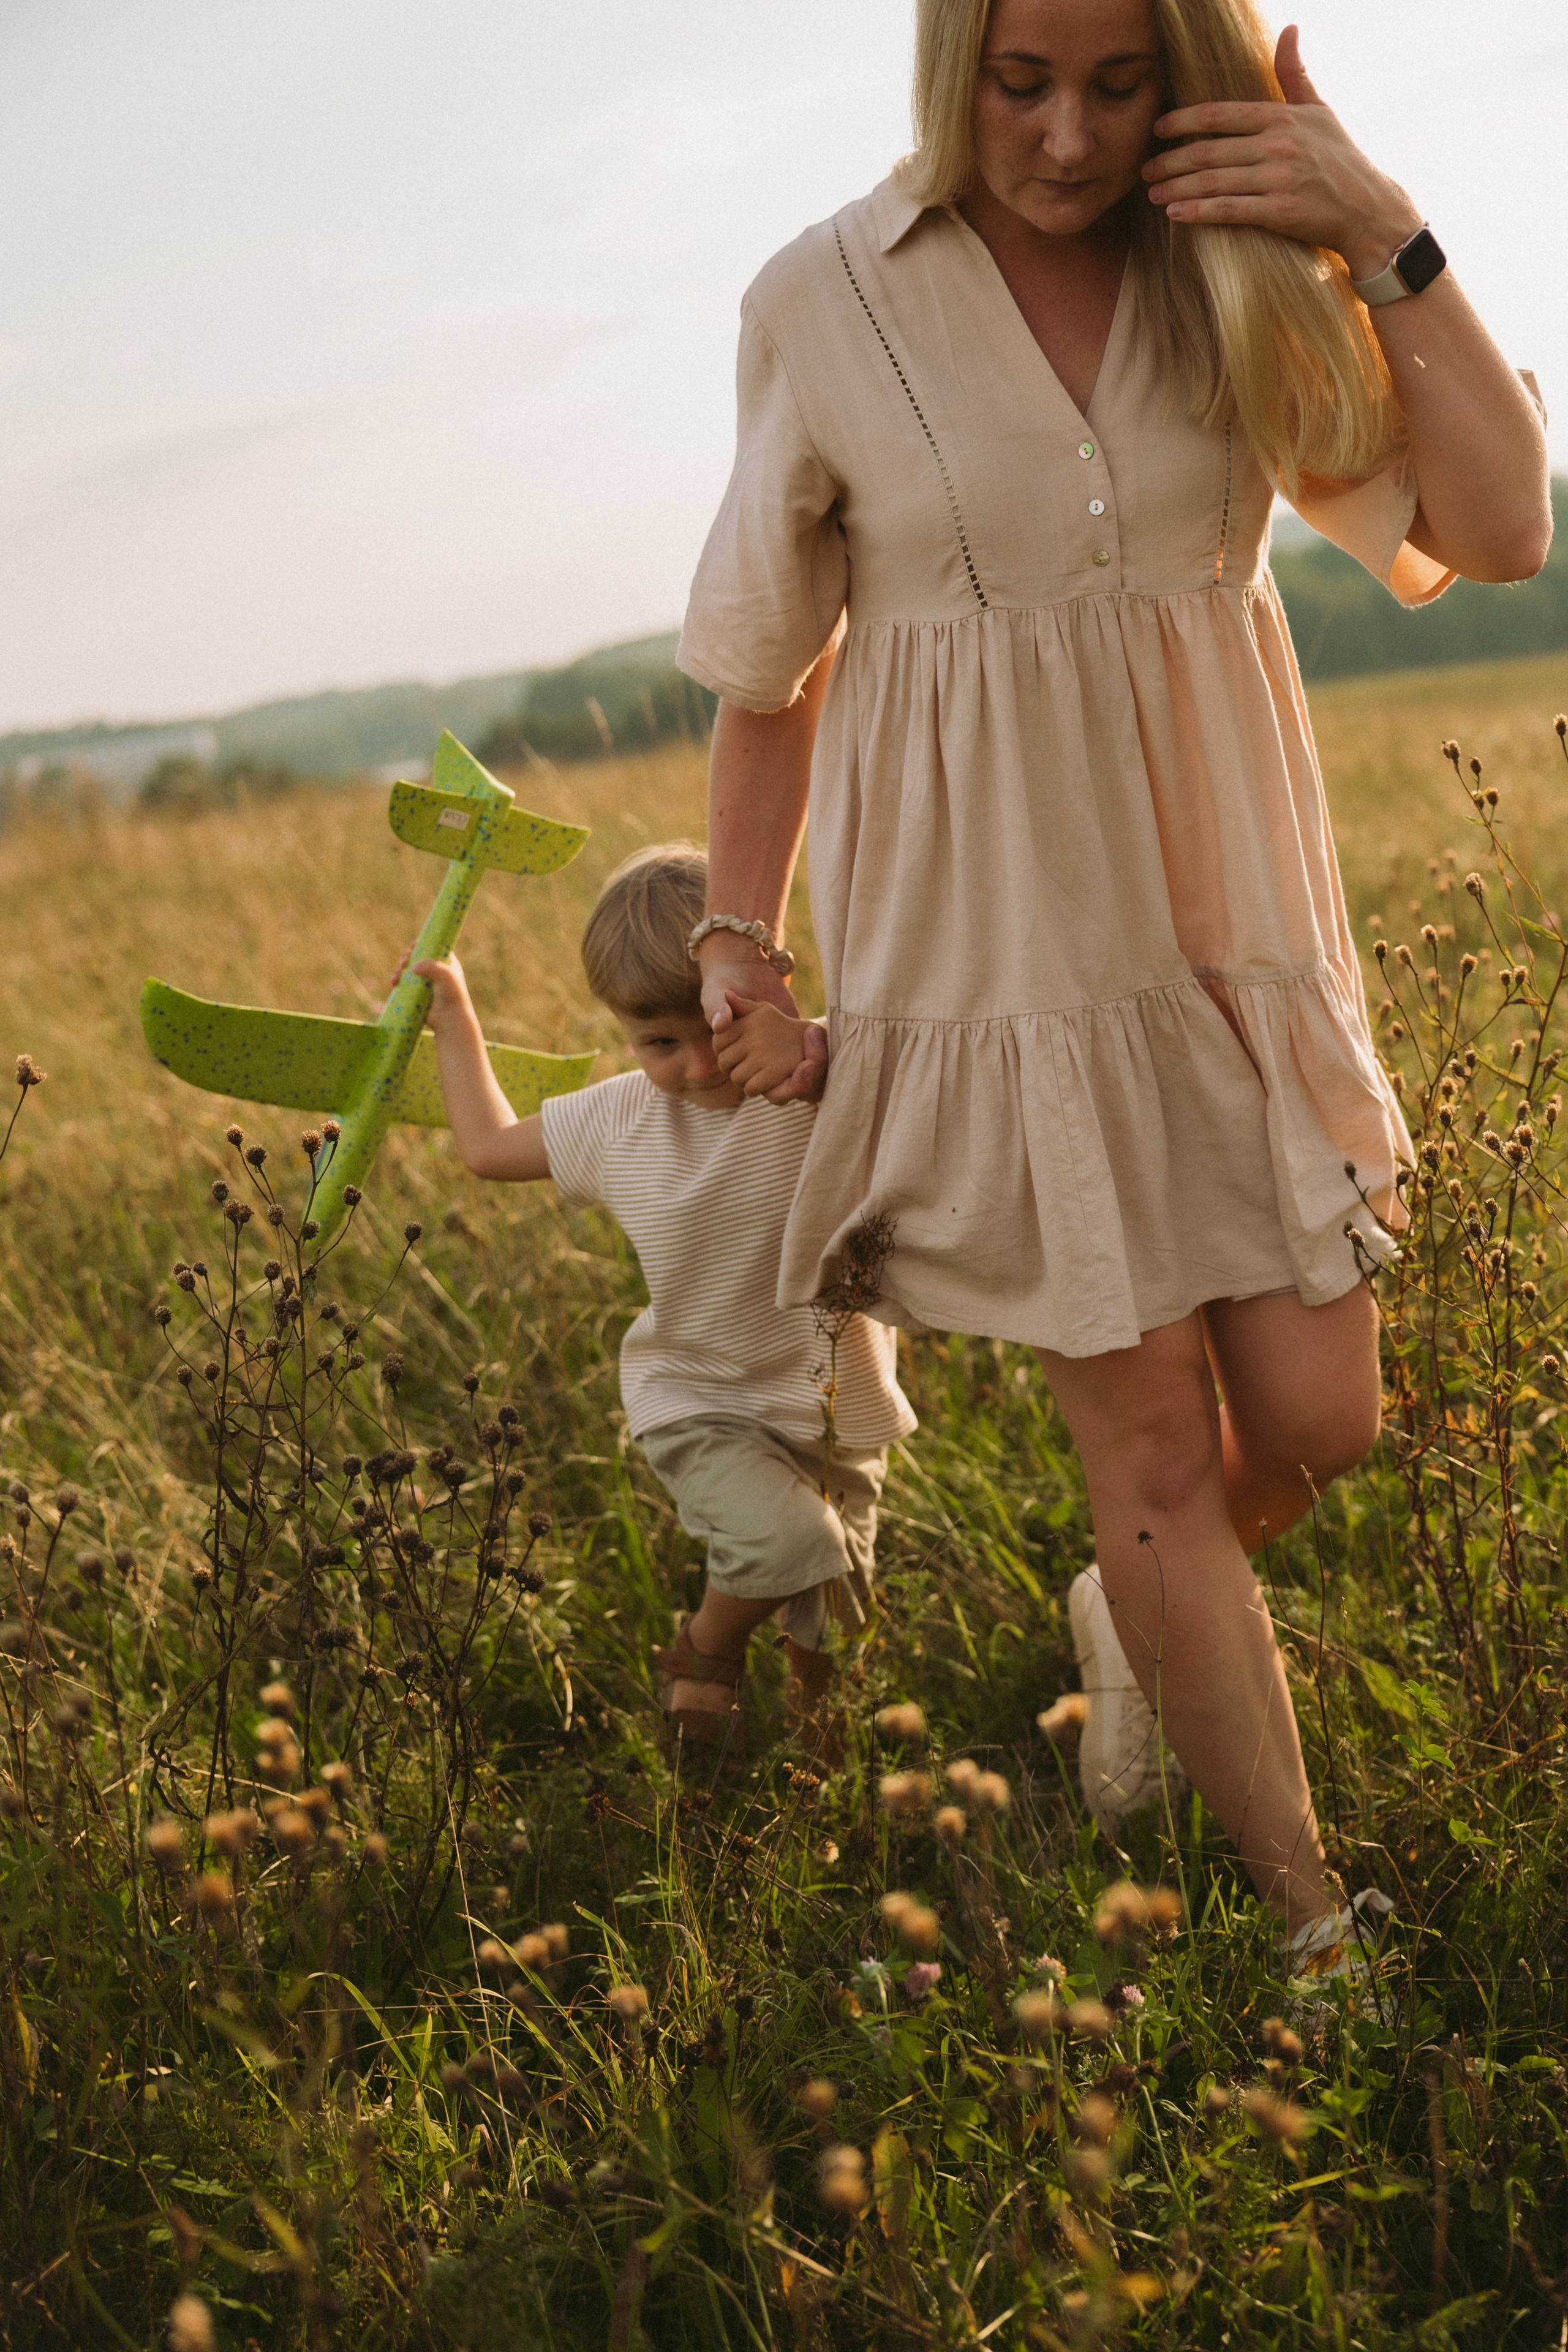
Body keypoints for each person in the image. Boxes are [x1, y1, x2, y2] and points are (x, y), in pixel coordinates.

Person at [682, 0, 1550, 1964]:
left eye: (1117, 82)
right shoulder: (823, 297)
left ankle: (1135, 1601)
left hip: (1233, 934)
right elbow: (767, 670)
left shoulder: (1234, 268)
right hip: (998, 960)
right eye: (1019, 82)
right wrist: (744, 937)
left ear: (1187, 76)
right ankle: (1315, 1928)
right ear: (951, 63)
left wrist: (1382, 227)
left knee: (1324, 1425)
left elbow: (1501, 529)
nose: (1065, 136)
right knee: (1148, 1451)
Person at [405, 843, 916, 1759]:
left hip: (842, 1406)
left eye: (715, 1024)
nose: (698, 1064)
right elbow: (486, 1148)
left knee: (836, 1624)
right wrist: (456, 1022)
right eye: (658, 1042)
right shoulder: (616, 1119)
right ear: (625, 1032)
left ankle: (817, 1781)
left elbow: (921, 1051)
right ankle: (707, 1645)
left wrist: (822, 1041)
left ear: (761, 980)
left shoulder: (819, 1073)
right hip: (701, 1399)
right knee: (797, 1543)